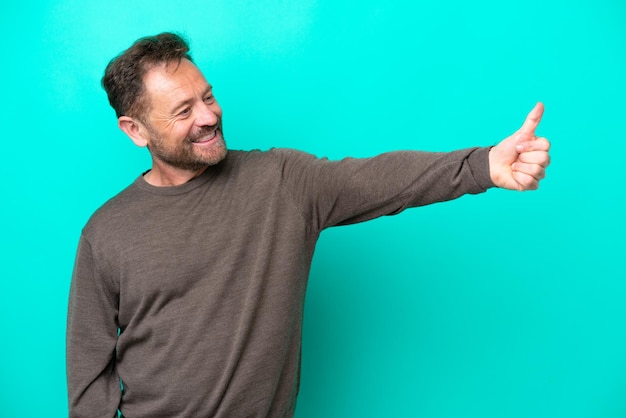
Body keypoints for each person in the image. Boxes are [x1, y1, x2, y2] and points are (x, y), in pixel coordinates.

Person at [66, 32, 550, 418]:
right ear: (136, 130)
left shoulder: (280, 181)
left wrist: (485, 165)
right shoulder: (106, 232)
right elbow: (89, 372)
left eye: (208, 96)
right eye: (183, 110)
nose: (209, 116)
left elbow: (379, 179)